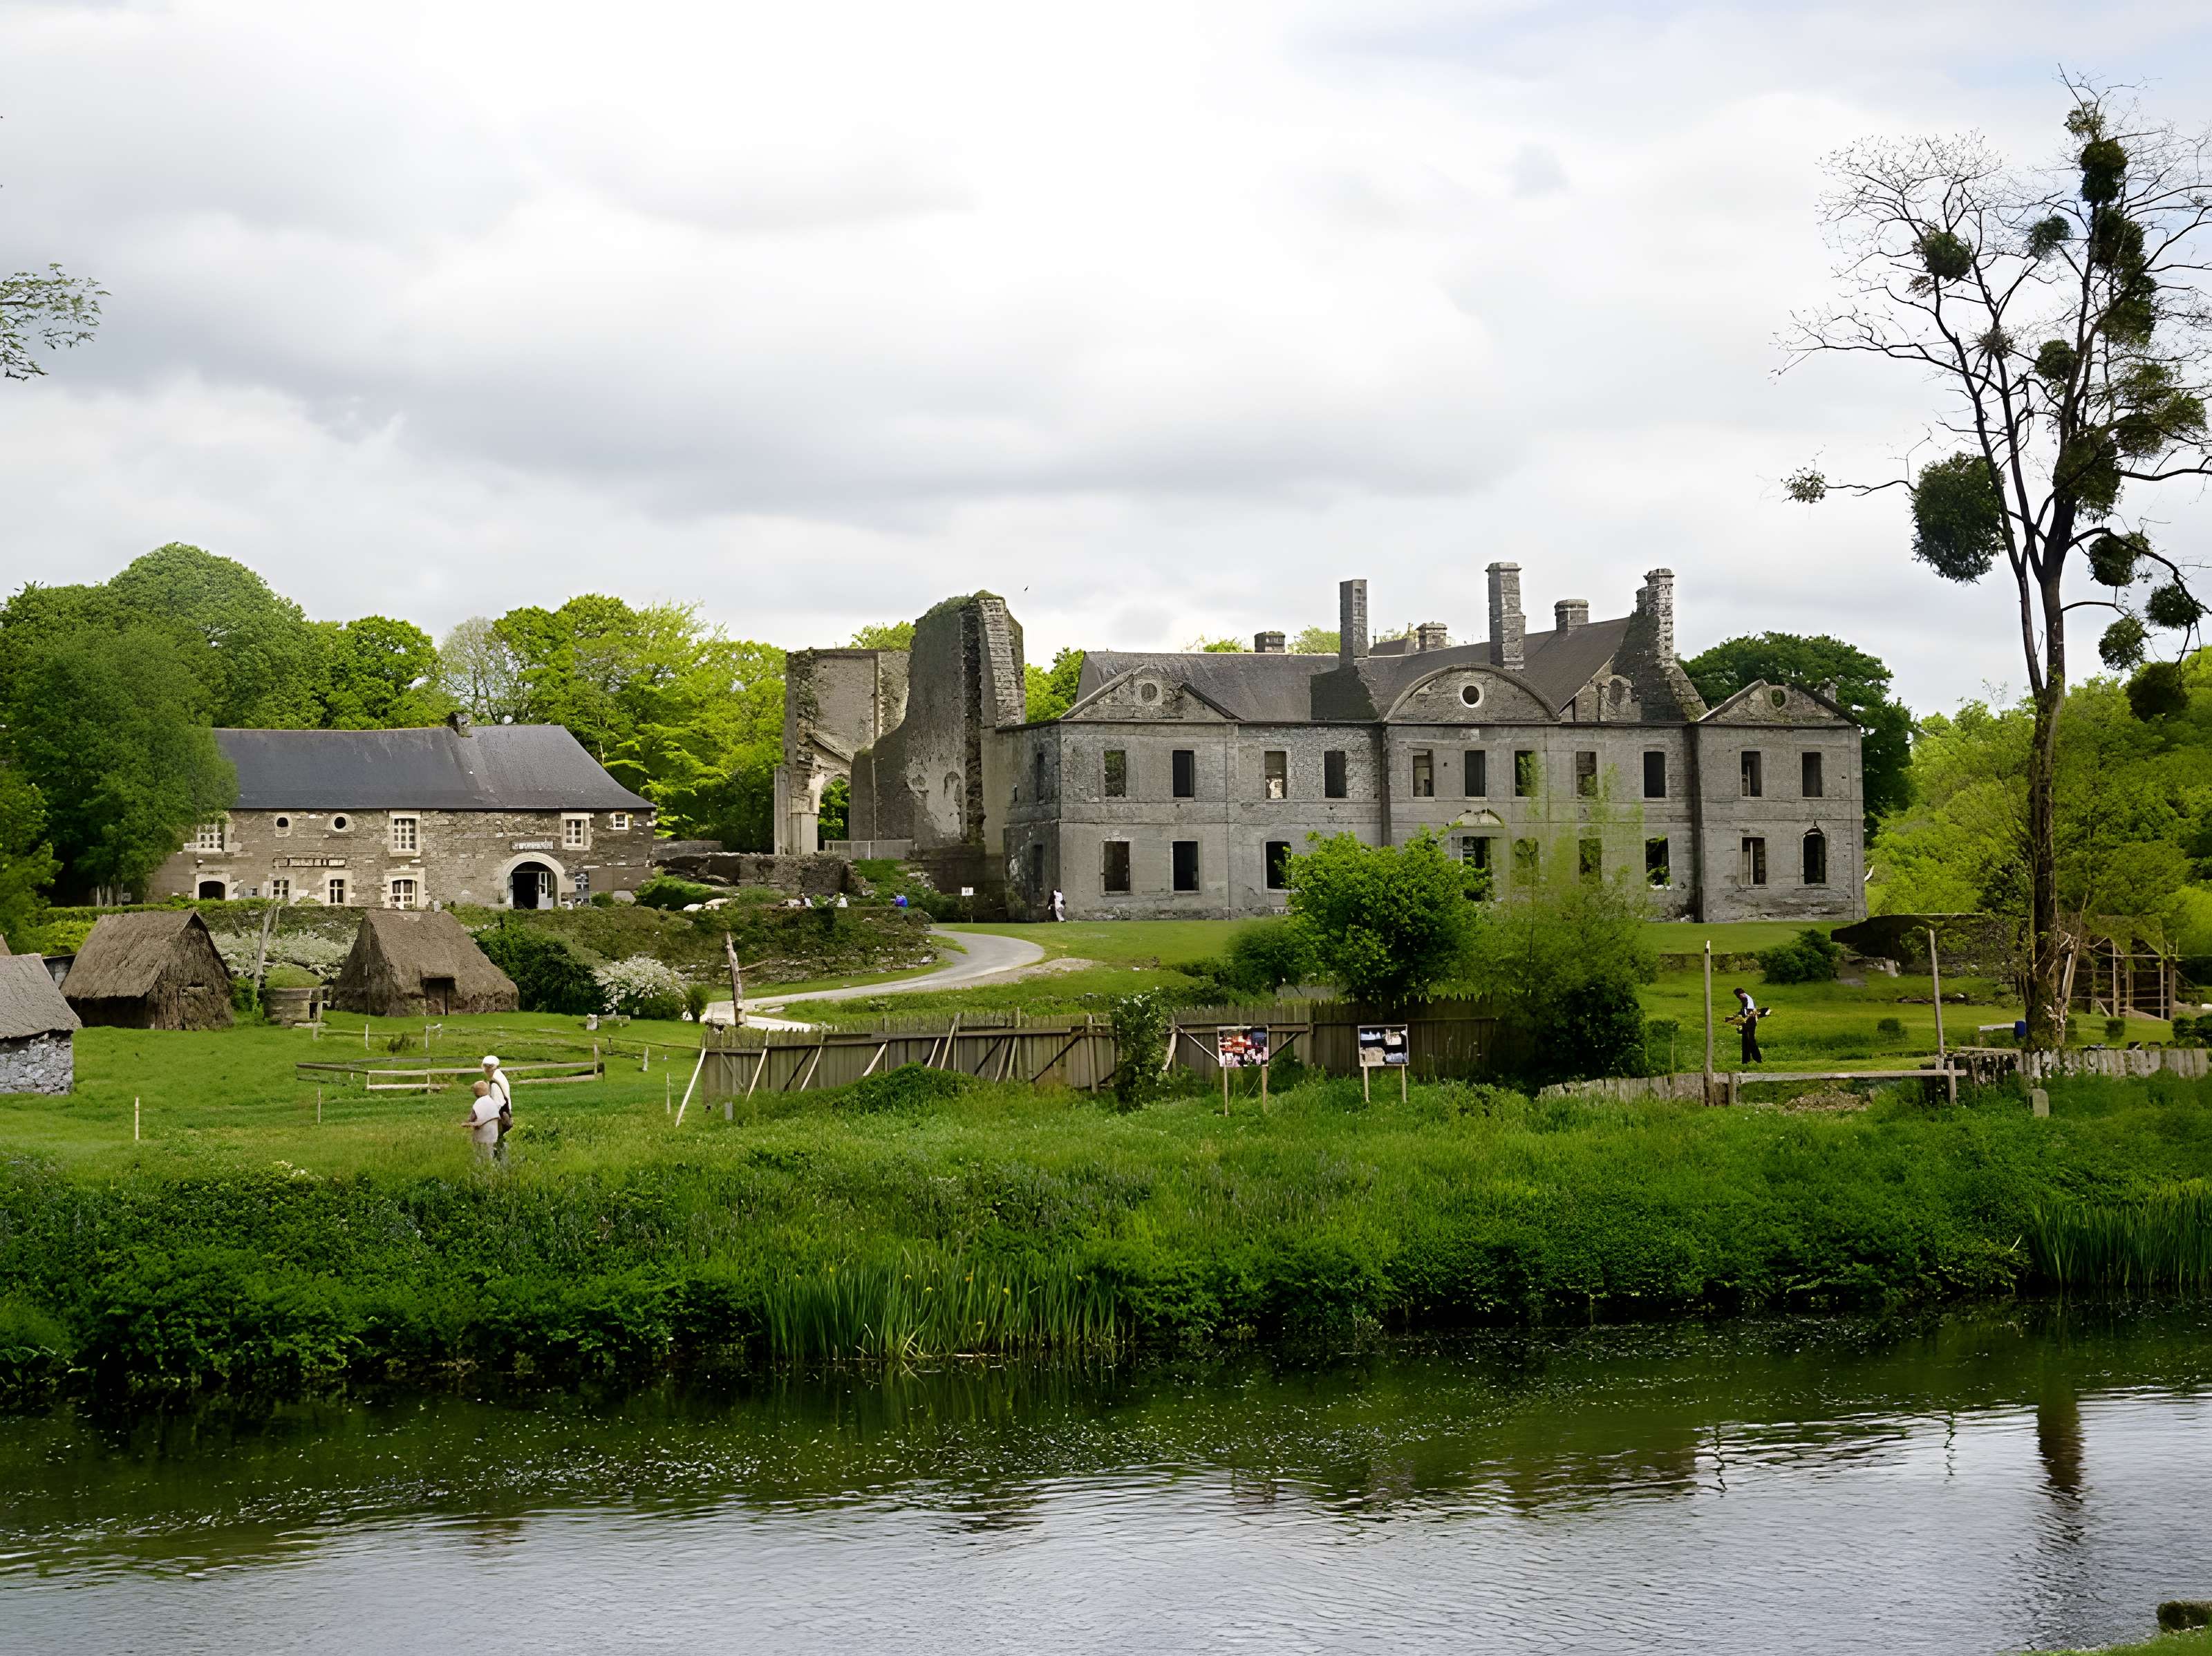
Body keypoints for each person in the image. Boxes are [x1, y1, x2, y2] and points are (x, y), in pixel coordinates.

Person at [480, 1055, 514, 1161]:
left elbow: (497, 1105)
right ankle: (502, 1163)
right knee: (499, 1142)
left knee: (495, 1143)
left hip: (499, 1118)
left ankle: (499, 1165)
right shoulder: (499, 1077)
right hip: (504, 1115)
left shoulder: (494, 1084)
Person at [462, 1078, 501, 1163]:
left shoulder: (478, 1103)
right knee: (489, 1151)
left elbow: (473, 1117)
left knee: (479, 1151)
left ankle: (480, 1165)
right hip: (493, 1133)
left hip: (482, 1133)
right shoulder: (491, 1101)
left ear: (477, 1093)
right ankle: (491, 1164)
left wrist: (468, 1122)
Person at [1728, 989, 1768, 1065]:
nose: (1739, 998)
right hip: (1746, 1023)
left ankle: (1758, 1059)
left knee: (1751, 1041)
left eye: (1739, 996)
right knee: (1745, 1041)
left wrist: (1740, 1020)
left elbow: (1750, 1014)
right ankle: (1745, 1061)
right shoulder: (1745, 999)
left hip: (1750, 1023)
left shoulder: (1748, 1000)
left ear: (1741, 994)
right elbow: (1744, 1012)